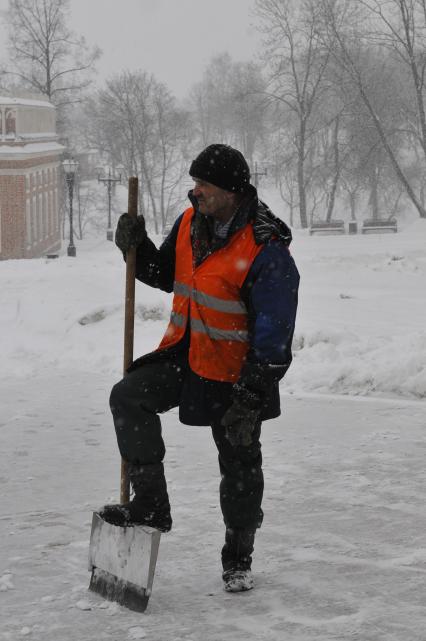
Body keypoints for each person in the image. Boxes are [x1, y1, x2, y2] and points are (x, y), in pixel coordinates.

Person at [101, 144, 299, 593]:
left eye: (204, 184)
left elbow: (275, 332)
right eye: (195, 182)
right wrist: (135, 247)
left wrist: (252, 396)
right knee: (128, 396)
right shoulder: (192, 221)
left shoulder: (265, 247)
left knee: (241, 466)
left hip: (236, 375)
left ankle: (238, 556)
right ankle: (151, 503)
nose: (196, 191)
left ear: (231, 190)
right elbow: (165, 272)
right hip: (185, 356)